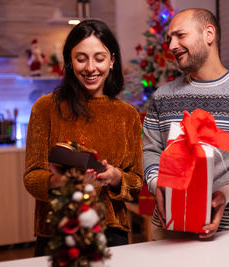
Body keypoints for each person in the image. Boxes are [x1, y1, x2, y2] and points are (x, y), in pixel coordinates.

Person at [142, 8, 229, 240]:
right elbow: (151, 150)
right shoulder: (163, 96)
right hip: (169, 229)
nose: (172, 46)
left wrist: (226, 194)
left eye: (180, 35)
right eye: (169, 39)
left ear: (209, 34)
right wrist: (157, 183)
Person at [24, 19, 143, 256]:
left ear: (112, 60)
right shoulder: (45, 108)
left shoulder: (127, 115)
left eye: (99, 58)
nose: (90, 68)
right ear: (69, 61)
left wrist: (116, 176)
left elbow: (136, 182)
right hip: (58, 230)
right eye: (81, 59)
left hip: (111, 232)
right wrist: (62, 183)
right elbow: (31, 176)